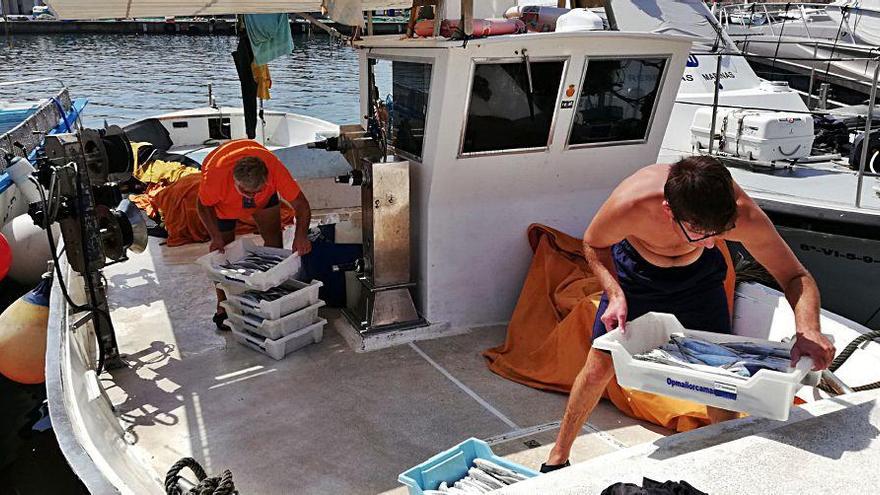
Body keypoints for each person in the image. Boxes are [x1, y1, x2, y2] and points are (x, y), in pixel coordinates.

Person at [541, 156, 836, 472]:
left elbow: (794, 275)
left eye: (719, 232)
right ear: (668, 210)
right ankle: (558, 455)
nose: (711, 242)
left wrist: (809, 330)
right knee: (599, 366)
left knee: (722, 375)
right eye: (699, 231)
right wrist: (614, 294)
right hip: (635, 277)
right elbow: (593, 244)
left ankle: (726, 459)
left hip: (700, 279)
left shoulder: (741, 215)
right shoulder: (632, 204)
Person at [196, 140, 312, 330]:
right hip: (224, 206)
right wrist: (215, 235)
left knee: (274, 240)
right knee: (221, 253)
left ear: (267, 179)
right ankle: (222, 304)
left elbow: (301, 205)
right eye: (245, 191)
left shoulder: (274, 168)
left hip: (265, 202)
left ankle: (272, 293)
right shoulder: (215, 177)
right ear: (234, 180)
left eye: (256, 191)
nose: (250, 196)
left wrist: (301, 236)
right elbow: (202, 205)